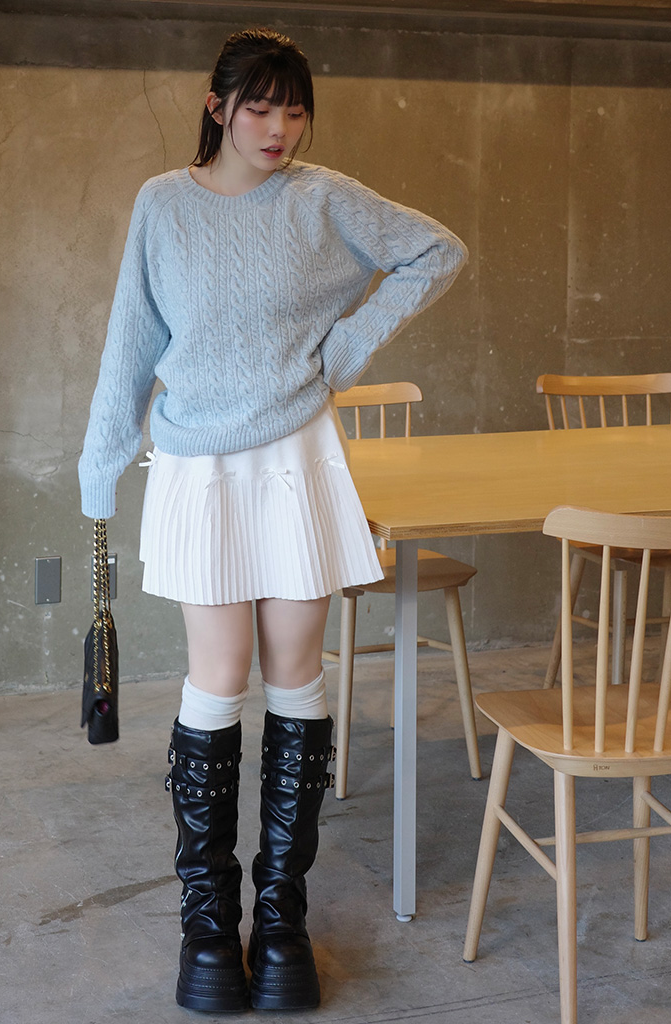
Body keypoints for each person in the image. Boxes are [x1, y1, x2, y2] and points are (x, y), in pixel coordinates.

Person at [79, 27, 467, 1013]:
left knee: (297, 675)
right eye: (259, 106)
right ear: (217, 107)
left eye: (294, 109)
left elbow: (436, 251)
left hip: (296, 458)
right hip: (198, 466)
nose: (278, 127)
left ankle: (282, 924)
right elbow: (131, 338)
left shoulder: (322, 198)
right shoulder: (163, 204)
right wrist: (100, 464)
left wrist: (342, 352)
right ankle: (210, 932)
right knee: (218, 677)